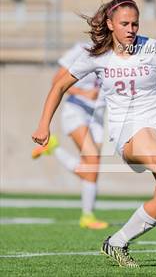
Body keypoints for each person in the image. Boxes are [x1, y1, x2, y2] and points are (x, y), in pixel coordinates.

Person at [32, 0, 156, 267]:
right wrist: (43, 125)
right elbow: (58, 86)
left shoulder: (152, 48)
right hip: (129, 127)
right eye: (125, 23)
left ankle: (115, 242)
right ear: (110, 24)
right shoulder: (96, 56)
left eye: (135, 24)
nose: (131, 29)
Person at [32, 42, 108, 230]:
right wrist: (84, 92)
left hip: (98, 114)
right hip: (77, 110)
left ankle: (54, 149)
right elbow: (57, 81)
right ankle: (87, 216)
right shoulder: (81, 49)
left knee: (91, 170)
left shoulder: (116, 52)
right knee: (92, 162)